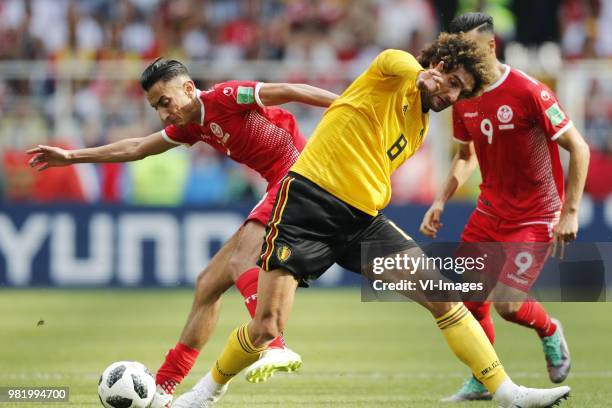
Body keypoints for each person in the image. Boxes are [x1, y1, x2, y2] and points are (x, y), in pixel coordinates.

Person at [175, 33, 571, 408]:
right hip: (307, 206)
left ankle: (506, 392)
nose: (449, 94)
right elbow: (402, 65)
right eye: (448, 80)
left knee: (444, 298)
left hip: (363, 221)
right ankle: (208, 390)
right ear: (436, 62)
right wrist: (421, 75)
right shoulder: (391, 69)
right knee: (266, 326)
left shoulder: (419, 127)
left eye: (458, 91)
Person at [27, 58, 338, 408]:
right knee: (208, 284)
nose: (163, 114)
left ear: (188, 89)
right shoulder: (192, 126)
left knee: (241, 258)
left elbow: (290, 90)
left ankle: (274, 343)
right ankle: (163, 389)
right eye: (155, 107)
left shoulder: (227, 96)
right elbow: (137, 148)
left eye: (165, 102)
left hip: (299, 175)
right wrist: (71, 156)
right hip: (278, 183)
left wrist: (344, 104)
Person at [419, 12, 590, 402]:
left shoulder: (530, 91)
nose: (460, 58)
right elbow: (466, 156)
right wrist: (440, 200)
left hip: (535, 213)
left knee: (508, 304)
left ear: (491, 45)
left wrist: (571, 211)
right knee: (469, 300)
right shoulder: (462, 97)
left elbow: (578, 147)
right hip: (488, 213)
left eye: (469, 48)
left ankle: (549, 330)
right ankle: (484, 378)